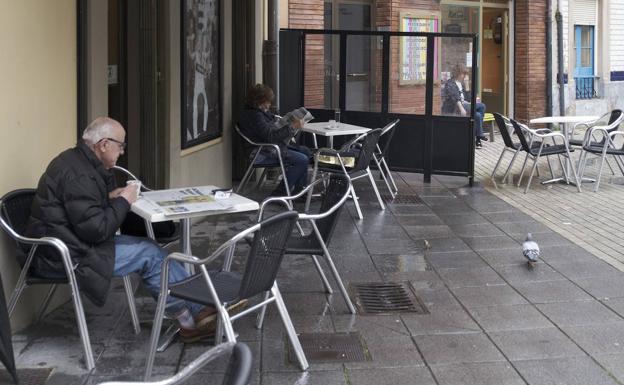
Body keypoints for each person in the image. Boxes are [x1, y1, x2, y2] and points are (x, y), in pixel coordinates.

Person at [25, 117, 227, 343]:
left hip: (72, 242)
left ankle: (193, 311)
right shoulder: (80, 174)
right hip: (68, 254)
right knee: (150, 255)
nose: (121, 152)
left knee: (150, 248)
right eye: (120, 146)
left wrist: (108, 197)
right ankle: (190, 319)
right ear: (103, 145)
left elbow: (82, 211)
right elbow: (98, 230)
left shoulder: (76, 162)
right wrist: (124, 202)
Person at [238, 84, 311, 195]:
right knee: (302, 160)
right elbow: (270, 137)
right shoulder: (255, 116)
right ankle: (280, 192)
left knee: (305, 151)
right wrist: (292, 127)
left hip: (268, 148)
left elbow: (269, 130)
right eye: (268, 101)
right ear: (260, 101)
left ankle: (300, 190)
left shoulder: (256, 112)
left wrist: (284, 122)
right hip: (261, 152)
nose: (269, 104)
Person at [441, 64, 488, 148]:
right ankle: (479, 135)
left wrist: (467, 85)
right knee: (482, 106)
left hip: (465, 104)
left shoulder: (461, 84)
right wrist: (461, 108)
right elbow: (454, 97)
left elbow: (469, 98)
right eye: (463, 74)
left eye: (465, 74)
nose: (464, 76)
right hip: (455, 107)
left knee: (477, 115)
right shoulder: (450, 83)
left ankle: (478, 138)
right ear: (457, 73)